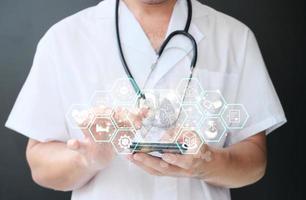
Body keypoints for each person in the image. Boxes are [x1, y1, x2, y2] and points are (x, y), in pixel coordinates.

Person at [5, 0, 286, 199]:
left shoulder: (234, 37)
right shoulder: (63, 40)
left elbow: (255, 162)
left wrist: (207, 162)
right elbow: (40, 165)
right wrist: (87, 159)